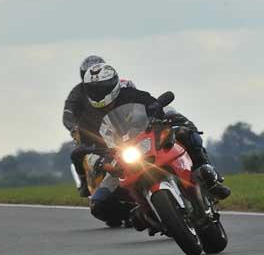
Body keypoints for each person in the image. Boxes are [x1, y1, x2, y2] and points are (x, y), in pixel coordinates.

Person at [79, 63, 231, 225]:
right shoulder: (88, 117)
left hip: (149, 141)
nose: (98, 93)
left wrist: (159, 119)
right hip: (120, 159)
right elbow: (87, 147)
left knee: (185, 133)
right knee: (98, 204)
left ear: (114, 84)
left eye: (102, 87)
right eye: (93, 90)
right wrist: (99, 161)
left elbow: (154, 106)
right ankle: (136, 215)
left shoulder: (131, 94)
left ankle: (209, 176)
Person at [64, 55, 136, 197]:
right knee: (77, 154)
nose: (98, 84)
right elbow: (68, 114)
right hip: (91, 131)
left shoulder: (120, 87)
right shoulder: (77, 93)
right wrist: (74, 128)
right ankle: (85, 183)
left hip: (119, 126)